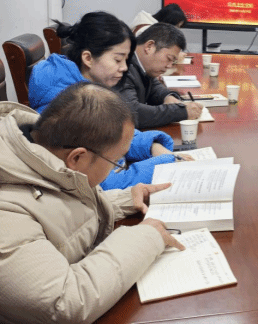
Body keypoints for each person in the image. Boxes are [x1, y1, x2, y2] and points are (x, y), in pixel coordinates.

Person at [0, 83, 184, 323]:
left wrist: (125, 199)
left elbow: (60, 209)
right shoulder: (6, 211)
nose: (116, 167)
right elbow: (64, 303)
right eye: (116, 161)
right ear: (77, 157)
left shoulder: (44, 155)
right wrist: (147, 238)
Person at [28, 12, 181, 190]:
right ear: (88, 58)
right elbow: (105, 185)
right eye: (118, 59)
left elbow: (111, 131)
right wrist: (166, 164)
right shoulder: (72, 105)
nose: (124, 68)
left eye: (126, 60)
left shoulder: (82, 84)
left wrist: (150, 146)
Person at [115, 23, 203, 129]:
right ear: (149, 46)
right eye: (169, 59)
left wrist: (168, 97)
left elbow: (154, 86)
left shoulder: (143, 65)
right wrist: (181, 112)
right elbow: (132, 113)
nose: (169, 66)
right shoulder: (123, 67)